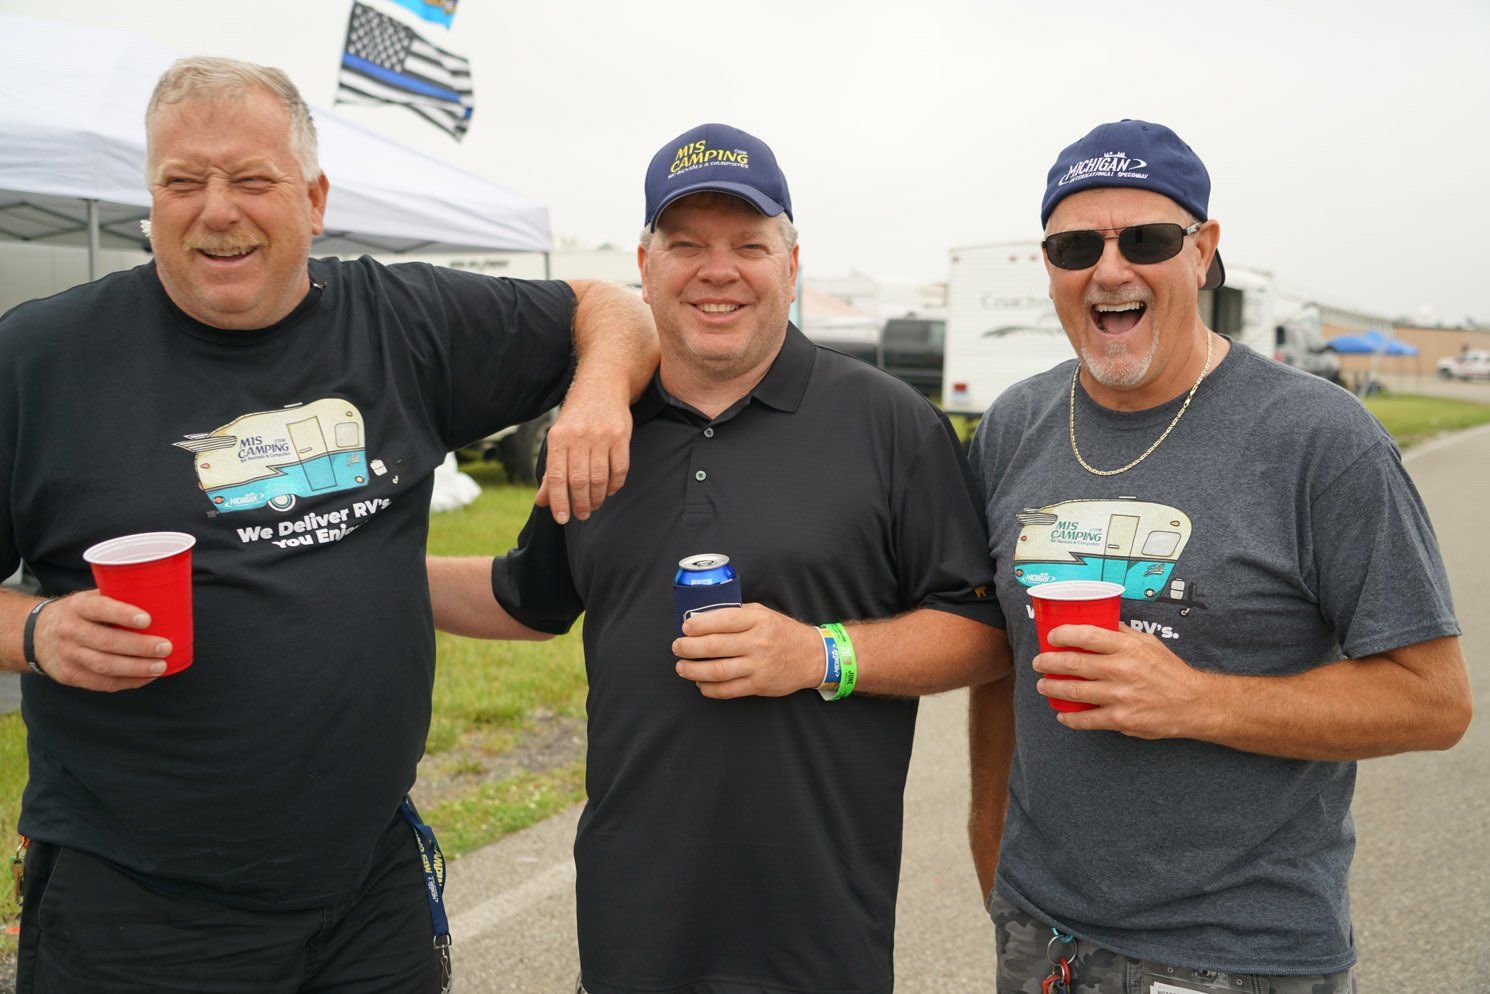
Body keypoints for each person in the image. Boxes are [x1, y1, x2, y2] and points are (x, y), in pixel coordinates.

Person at [0, 57, 657, 994]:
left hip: (364, 888)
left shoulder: (401, 321)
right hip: (135, 908)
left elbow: (611, 308)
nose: (216, 209)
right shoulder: (38, 359)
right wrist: (36, 630)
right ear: (149, 197)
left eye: (253, 180)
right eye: (182, 182)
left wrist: (593, 395)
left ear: (313, 198)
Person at [428, 122, 1011, 994]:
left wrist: (818, 654)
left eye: (749, 244)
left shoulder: (889, 424)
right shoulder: (597, 434)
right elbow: (527, 598)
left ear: (792, 261)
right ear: (645, 262)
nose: (718, 270)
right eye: (688, 244)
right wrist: (354, 570)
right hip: (633, 931)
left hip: (817, 937)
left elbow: (983, 633)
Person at [966, 119, 1471, 993]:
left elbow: (1434, 701)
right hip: (1041, 936)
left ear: (1203, 251)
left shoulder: (1319, 438)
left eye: (1149, 240)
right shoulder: (1015, 424)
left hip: (1239, 956)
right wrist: (992, 851)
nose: (1110, 270)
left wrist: (1192, 699)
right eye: (1076, 244)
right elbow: (997, 659)